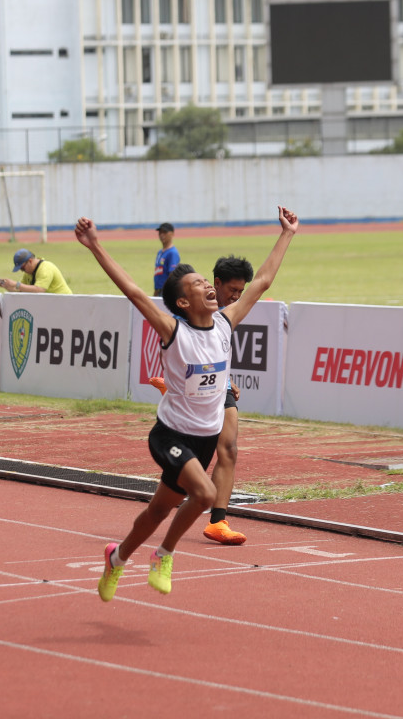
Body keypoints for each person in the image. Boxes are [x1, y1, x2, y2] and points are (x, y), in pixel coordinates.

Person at [80, 206, 299, 601]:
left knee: (157, 512)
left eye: (207, 282)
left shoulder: (225, 324)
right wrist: (95, 244)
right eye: (199, 285)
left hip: (204, 438)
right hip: (170, 435)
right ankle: (163, 555)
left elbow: (263, 281)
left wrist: (287, 233)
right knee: (204, 495)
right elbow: (131, 290)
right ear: (183, 303)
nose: (210, 287)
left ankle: (117, 557)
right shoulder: (172, 331)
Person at [203, 254, 256, 545]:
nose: (236, 296)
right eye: (232, 290)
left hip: (220, 388)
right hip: (192, 392)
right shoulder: (194, 307)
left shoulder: (228, 315)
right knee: (190, 465)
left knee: (229, 449)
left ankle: (218, 522)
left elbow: (263, 283)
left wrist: (227, 378)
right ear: (217, 283)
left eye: (241, 292)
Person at [0, 249, 72, 294]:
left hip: (65, 301)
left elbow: (39, 290)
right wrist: (7, 286)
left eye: (23, 268)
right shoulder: (28, 272)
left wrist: (16, 284)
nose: (22, 271)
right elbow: (21, 291)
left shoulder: (45, 268)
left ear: (30, 261)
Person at [153, 222, 180, 297]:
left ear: (172, 234)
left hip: (165, 292)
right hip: (158, 290)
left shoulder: (172, 253)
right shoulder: (160, 252)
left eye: (165, 232)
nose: (162, 235)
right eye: (160, 232)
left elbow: (172, 275)